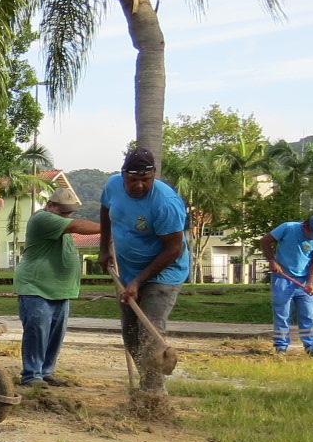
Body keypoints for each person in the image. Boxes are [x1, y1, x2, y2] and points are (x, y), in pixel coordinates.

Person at [99, 147, 190, 394]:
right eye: (133, 180)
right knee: (131, 334)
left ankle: (153, 396)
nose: (139, 185)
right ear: (123, 175)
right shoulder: (113, 185)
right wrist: (104, 247)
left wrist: (139, 281)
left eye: (145, 180)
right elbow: (105, 211)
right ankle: (146, 382)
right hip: (129, 270)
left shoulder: (166, 203)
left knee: (149, 333)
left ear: (154, 176)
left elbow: (173, 250)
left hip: (164, 272)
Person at [13, 183, 100, 386]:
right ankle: (32, 374)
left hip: (60, 289)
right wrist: (110, 225)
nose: (66, 216)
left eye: (69, 212)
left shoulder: (61, 225)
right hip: (36, 288)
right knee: (38, 332)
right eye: (63, 211)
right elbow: (77, 226)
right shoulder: (42, 219)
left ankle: (46, 371)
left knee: (54, 334)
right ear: (50, 205)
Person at [260, 213, 313, 357]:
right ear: (304, 226)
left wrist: (310, 283)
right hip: (282, 278)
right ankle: (281, 347)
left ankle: (312, 348)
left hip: (304, 280)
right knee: (282, 313)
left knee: (309, 315)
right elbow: (265, 241)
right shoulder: (288, 228)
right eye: (311, 234)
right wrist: (272, 261)